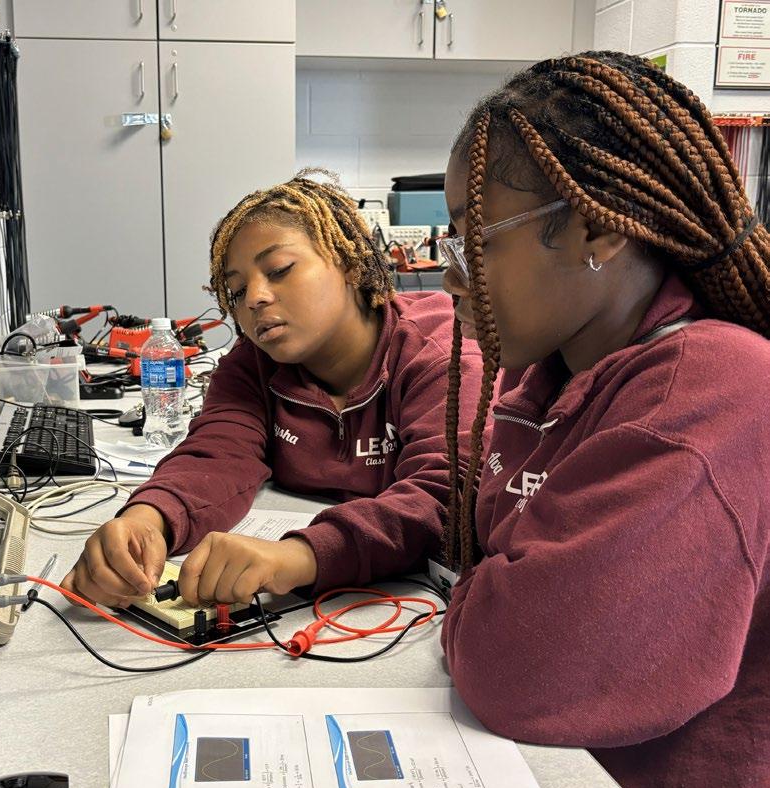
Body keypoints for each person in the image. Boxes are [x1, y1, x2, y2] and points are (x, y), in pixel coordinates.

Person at [439, 50, 770, 788]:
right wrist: (491, 592)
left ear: (598, 228)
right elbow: (488, 565)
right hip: (571, 786)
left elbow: (519, 664)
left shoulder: (707, 390)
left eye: (473, 238)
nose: (448, 270)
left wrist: (482, 602)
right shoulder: (550, 375)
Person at [63, 170, 481, 608]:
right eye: (237, 290)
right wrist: (148, 519)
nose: (255, 298)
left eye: (279, 270)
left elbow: (447, 495)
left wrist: (297, 558)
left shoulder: (441, 351)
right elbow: (216, 454)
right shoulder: (252, 366)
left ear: (350, 263)